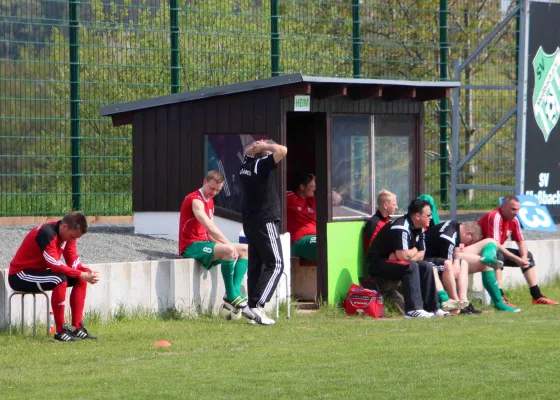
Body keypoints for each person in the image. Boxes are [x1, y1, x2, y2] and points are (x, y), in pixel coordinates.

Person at [9, 211, 100, 342]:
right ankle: (60, 331)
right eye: (72, 237)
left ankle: (77, 328)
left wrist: (87, 273)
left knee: (80, 279)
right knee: (59, 279)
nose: (72, 240)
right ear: (64, 227)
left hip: (38, 273)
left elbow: (73, 261)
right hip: (20, 275)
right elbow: (54, 265)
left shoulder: (68, 235)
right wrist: (81, 273)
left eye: (75, 238)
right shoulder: (46, 233)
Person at [179, 170, 251, 313]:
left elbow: (210, 235)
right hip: (192, 246)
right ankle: (231, 295)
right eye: (212, 188)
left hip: (204, 243)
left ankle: (234, 291)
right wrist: (228, 245)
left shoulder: (210, 201)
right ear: (204, 182)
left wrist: (227, 245)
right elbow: (210, 227)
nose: (214, 192)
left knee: (245, 249)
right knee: (229, 249)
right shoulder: (195, 200)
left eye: (218, 190)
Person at [365, 199, 443, 318]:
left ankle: (432, 308)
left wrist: (410, 253)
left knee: (426, 266)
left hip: (394, 260)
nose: (431, 217)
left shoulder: (419, 228)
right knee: (410, 266)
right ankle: (413, 310)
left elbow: (421, 254)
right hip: (377, 263)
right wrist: (413, 251)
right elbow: (403, 256)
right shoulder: (401, 226)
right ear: (417, 216)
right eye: (428, 215)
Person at [239, 139, 288, 325]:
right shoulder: (260, 165)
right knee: (276, 264)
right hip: (265, 219)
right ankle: (257, 306)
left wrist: (256, 148)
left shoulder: (246, 165)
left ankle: (251, 307)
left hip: (251, 222)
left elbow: (247, 151)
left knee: (256, 265)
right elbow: (283, 150)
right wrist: (267, 147)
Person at [424, 220, 520, 314]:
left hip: (445, 257)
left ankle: (487, 258)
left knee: (490, 241)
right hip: (431, 260)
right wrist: (456, 263)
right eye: (472, 240)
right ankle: (464, 301)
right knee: (469, 263)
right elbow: (448, 261)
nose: (469, 244)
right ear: (468, 233)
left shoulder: (455, 225)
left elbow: (455, 251)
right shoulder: (448, 237)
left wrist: (457, 261)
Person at [478, 195, 558, 306]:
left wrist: (523, 257)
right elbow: (495, 244)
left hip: (493, 251)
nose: (516, 212)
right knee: (498, 255)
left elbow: (521, 242)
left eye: (517, 209)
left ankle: (537, 296)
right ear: (503, 207)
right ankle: (499, 297)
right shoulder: (495, 216)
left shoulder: (514, 220)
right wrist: (517, 259)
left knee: (528, 255)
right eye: (513, 209)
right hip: (479, 252)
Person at [286, 173, 342, 262]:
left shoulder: (313, 201)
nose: (314, 189)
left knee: (335, 241)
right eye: (312, 186)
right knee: (324, 243)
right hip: (297, 241)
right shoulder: (290, 197)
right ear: (302, 187)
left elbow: (337, 199)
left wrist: (321, 182)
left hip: (313, 238)